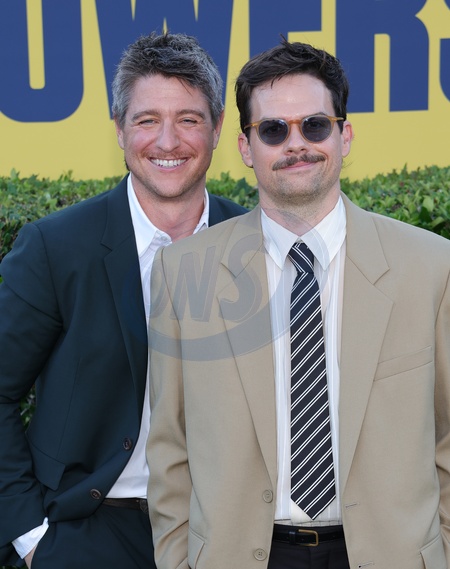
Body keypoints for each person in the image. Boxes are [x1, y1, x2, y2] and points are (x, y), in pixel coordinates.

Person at [146, 37, 450, 569]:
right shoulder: (184, 271)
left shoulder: (430, 266)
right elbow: (170, 445)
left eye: (314, 125)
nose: (296, 144)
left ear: (344, 135)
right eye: (272, 130)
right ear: (246, 147)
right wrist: (178, 560)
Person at [0, 31, 246, 569]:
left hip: (223, 532)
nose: (167, 141)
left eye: (188, 119)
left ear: (217, 128)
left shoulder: (256, 245)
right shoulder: (56, 248)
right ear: (119, 129)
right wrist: (29, 537)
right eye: (147, 119)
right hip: (87, 531)